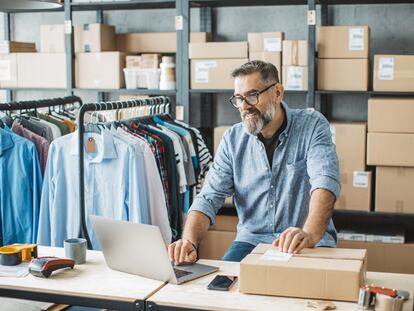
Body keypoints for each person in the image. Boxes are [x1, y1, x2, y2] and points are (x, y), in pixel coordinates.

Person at [168, 60, 340, 264]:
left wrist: (310, 233)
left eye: (252, 95)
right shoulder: (233, 139)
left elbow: (325, 182)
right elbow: (208, 198)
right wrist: (189, 241)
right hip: (251, 242)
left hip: (305, 241)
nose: (245, 107)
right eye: (239, 99)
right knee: (222, 289)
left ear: (277, 92)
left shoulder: (312, 126)